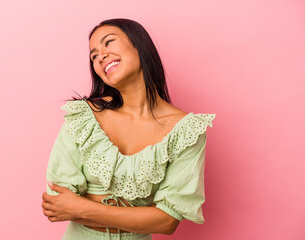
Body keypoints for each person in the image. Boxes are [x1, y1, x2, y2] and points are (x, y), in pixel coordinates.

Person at [41, 18, 216, 240]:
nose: (100, 56)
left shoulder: (186, 131)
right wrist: (143, 216)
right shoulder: (82, 117)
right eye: (93, 55)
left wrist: (83, 208)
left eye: (108, 43)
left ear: (139, 45)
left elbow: (168, 221)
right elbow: (58, 203)